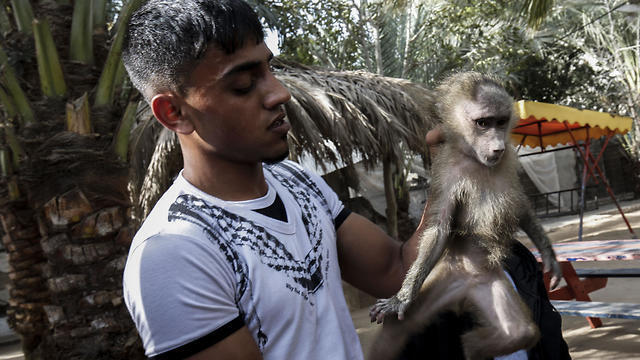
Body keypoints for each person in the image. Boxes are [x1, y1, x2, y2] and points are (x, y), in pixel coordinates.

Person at [121, 1, 569, 359]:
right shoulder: (173, 253)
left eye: (269, 69)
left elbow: (395, 272)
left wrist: (450, 174)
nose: (279, 93)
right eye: (243, 85)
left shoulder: (297, 183)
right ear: (174, 112)